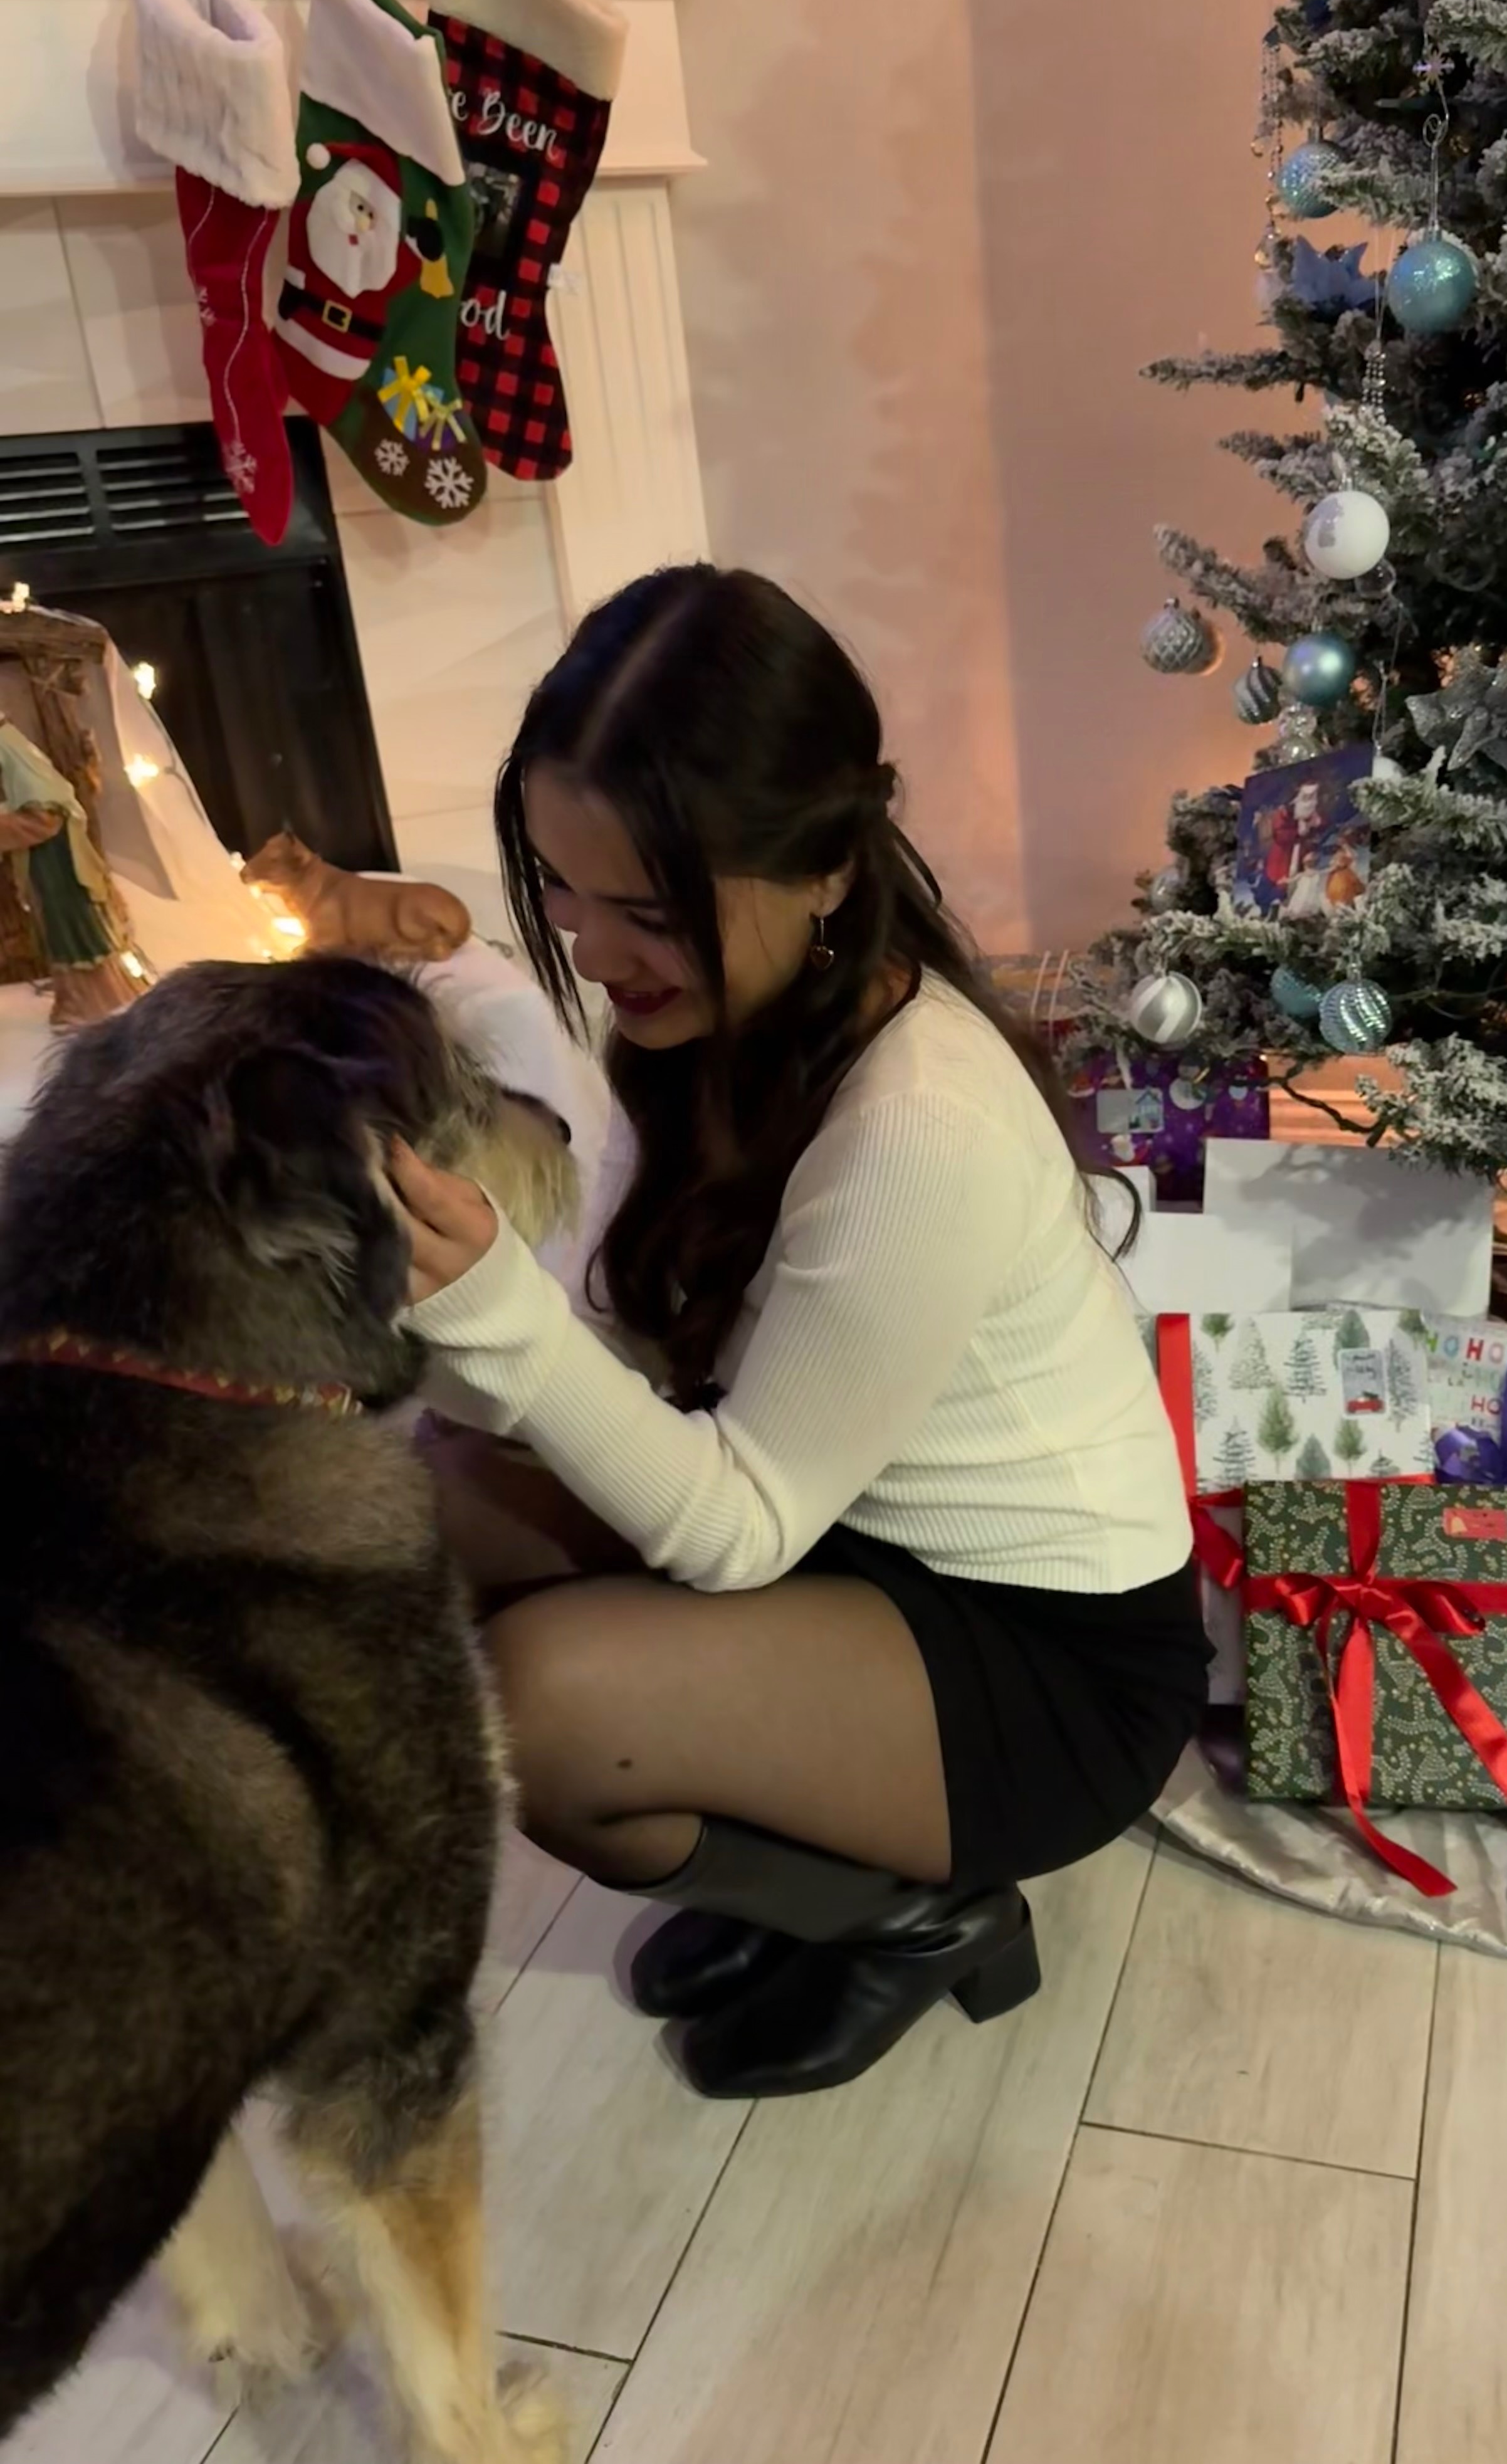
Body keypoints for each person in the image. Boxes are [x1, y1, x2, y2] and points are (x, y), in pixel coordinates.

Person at [389, 566, 1202, 2102]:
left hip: (1049, 1657)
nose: (593, 948)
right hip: (850, 1530)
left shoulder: (919, 1124)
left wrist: (493, 1316)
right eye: (560, 886)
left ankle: (912, 1915)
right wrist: (422, 1314)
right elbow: (627, 1358)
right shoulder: (716, 1023)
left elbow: (739, 1523)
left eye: (648, 910)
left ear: (825, 867)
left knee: (541, 1713)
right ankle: (813, 1873)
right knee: (424, 1499)